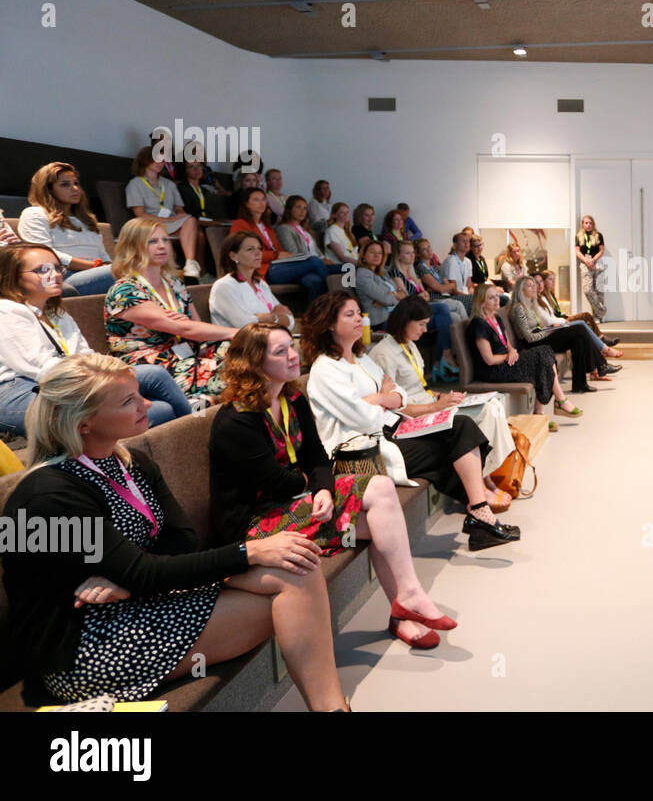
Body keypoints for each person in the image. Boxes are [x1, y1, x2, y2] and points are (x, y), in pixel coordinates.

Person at [0, 354, 349, 710]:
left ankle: (332, 708)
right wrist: (249, 552)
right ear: (83, 423)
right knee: (295, 588)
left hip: (139, 600)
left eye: (139, 395)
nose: (146, 404)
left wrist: (130, 579)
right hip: (84, 646)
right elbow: (143, 569)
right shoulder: (51, 493)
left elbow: (182, 541)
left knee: (298, 570)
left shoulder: (129, 463)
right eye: (128, 401)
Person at [211, 323, 459, 648]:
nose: (292, 355)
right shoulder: (235, 420)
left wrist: (324, 488)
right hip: (256, 524)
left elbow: (317, 456)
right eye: (280, 351)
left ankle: (409, 597)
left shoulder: (293, 397)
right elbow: (277, 483)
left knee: (382, 490)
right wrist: (311, 484)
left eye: (291, 345)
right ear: (254, 363)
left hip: (295, 501)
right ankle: (403, 612)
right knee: (380, 522)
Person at [299, 292, 519, 551]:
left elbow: (400, 396)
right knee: (447, 447)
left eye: (359, 312)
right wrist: (384, 397)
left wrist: (379, 398)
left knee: (461, 425)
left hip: (393, 427)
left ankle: (479, 513)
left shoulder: (362, 359)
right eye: (350, 315)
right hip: (362, 448)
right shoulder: (325, 369)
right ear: (329, 324)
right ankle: (480, 513)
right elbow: (364, 419)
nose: (360, 319)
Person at [0, 244, 191, 435]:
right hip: (19, 390)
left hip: (73, 380)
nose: (56, 275)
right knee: (161, 410)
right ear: (14, 276)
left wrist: (113, 375)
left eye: (58, 268)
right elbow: (45, 369)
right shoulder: (7, 311)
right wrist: (110, 381)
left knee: (155, 375)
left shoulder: (55, 312)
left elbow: (85, 354)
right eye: (42, 270)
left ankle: (196, 429)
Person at [368, 297, 513, 509]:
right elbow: (395, 406)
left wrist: (442, 397)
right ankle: (479, 481)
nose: (425, 330)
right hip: (413, 415)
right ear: (405, 321)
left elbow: (419, 387)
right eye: (421, 324)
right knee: (482, 415)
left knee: (494, 404)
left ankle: (485, 475)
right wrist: (436, 406)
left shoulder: (409, 345)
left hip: (430, 402)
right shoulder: (383, 354)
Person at [104, 218, 236, 401]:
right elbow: (186, 329)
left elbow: (196, 328)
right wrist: (238, 332)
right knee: (237, 371)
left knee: (241, 351)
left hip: (187, 351)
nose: (162, 246)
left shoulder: (175, 284)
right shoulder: (125, 290)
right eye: (152, 241)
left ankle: (207, 400)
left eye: (165, 240)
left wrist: (188, 326)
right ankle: (203, 406)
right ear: (132, 247)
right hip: (151, 362)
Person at [470, 284, 581, 419]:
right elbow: (489, 359)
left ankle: (546, 409)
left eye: (496, 296)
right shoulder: (478, 324)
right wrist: (508, 356)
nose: (496, 300)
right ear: (482, 302)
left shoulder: (496, 318)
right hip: (494, 370)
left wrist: (512, 351)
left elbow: (507, 343)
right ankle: (555, 403)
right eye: (491, 298)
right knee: (541, 356)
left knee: (545, 352)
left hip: (507, 361)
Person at [18, 162, 116, 295]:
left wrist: (104, 266)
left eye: (76, 183)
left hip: (99, 272)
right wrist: (92, 266)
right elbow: (44, 254)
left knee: (136, 268)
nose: (75, 188)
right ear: (48, 189)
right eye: (65, 184)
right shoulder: (35, 214)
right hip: (63, 277)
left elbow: (104, 256)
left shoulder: (87, 219)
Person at [229, 188, 330, 303]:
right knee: (313, 261)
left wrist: (286, 256)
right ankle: (333, 303)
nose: (261, 203)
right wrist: (275, 255)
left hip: (279, 266)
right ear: (246, 204)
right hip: (263, 269)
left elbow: (278, 249)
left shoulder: (266, 226)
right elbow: (246, 253)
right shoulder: (240, 224)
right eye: (256, 200)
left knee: (313, 280)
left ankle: (315, 316)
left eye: (263, 200)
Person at [509, 276, 610, 392]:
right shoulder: (518, 308)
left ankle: (580, 384)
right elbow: (529, 337)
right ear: (521, 290)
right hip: (531, 344)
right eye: (529, 285)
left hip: (541, 336)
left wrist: (549, 329)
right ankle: (600, 365)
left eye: (534, 285)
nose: (534, 288)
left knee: (578, 339)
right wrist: (549, 331)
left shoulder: (530, 305)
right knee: (579, 328)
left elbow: (537, 328)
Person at [124, 146, 204, 280]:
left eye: (163, 160)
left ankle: (190, 264)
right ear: (145, 160)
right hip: (149, 224)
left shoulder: (169, 184)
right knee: (196, 233)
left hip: (172, 222)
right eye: (157, 159)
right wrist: (168, 221)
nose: (160, 162)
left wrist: (178, 215)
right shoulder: (135, 184)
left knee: (191, 222)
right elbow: (140, 214)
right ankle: (172, 269)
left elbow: (179, 209)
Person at [527, 275, 623, 379]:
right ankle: (603, 353)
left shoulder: (542, 298)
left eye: (541, 281)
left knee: (582, 328)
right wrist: (563, 320)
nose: (540, 284)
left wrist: (562, 320)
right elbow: (547, 321)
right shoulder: (534, 300)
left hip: (556, 325)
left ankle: (598, 365)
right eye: (536, 282)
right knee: (581, 325)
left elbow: (552, 316)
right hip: (550, 330)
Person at [389, 240, 458, 379]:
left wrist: (423, 295)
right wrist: (421, 296)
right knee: (443, 308)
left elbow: (423, 293)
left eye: (413, 252)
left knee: (454, 316)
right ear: (398, 256)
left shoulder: (411, 272)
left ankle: (448, 356)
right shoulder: (396, 273)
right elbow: (405, 299)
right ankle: (445, 356)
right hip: (410, 313)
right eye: (407, 253)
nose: (412, 256)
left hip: (420, 308)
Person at [208, 232, 295, 331]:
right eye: (250, 249)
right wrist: (275, 317)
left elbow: (290, 321)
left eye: (259, 248)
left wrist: (266, 317)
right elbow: (244, 325)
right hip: (239, 344)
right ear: (233, 256)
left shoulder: (261, 284)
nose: (258, 253)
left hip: (267, 340)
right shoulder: (224, 286)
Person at [540, 269, 620, 347]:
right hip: (558, 322)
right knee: (585, 316)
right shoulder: (543, 297)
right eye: (550, 279)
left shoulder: (551, 294)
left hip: (561, 318)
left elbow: (556, 312)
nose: (553, 282)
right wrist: (563, 318)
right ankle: (601, 340)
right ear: (543, 282)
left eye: (554, 279)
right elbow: (551, 316)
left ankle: (599, 341)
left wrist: (564, 315)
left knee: (587, 317)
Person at [277, 195, 345, 273]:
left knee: (349, 268)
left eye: (305, 208)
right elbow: (293, 254)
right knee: (313, 280)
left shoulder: (306, 230)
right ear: (289, 209)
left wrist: (326, 261)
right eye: (298, 207)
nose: (302, 211)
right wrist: (318, 261)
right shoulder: (284, 228)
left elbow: (318, 253)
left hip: (317, 264)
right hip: (304, 266)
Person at [414, 238, 466, 323]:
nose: (429, 250)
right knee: (465, 303)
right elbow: (441, 288)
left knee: (471, 299)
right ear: (418, 253)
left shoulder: (435, 267)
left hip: (446, 295)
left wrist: (446, 286)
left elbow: (450, 286)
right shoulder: (420, 268)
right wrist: (445, 286)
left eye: (429, 247)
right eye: (424, 249)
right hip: (436, 298)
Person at [355, 239, 402, 330]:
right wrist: (395, 296)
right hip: (381, 321)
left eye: (380, 253)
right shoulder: (363, 274)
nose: (377, 255)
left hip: (395, 315)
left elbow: (404, 293)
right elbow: (386, 299)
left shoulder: (382, 272)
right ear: (363, 255)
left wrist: (393, 295)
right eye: (372, 252)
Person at [574, 215, 607, 321]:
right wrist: (586, 260)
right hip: (585, 264)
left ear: (593, 224)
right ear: (583, 224)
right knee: (588, 290)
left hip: (597, 263)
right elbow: (577, 251)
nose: (588, 225)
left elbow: (601, 250)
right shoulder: (578, 236)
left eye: (590, 223)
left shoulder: (598, 235)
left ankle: (598, 317)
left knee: (598, 290)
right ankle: (601, 311)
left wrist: (593, 260)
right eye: (586, 223)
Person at [177, 157, 223, 222]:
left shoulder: (205, 190)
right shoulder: (182, 189)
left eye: (199, 165)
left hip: (207, 222)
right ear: (185, 170)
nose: (196, 169)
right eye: (191, 167)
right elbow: (188, 214)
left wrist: (221, 221)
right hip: (193, 223)